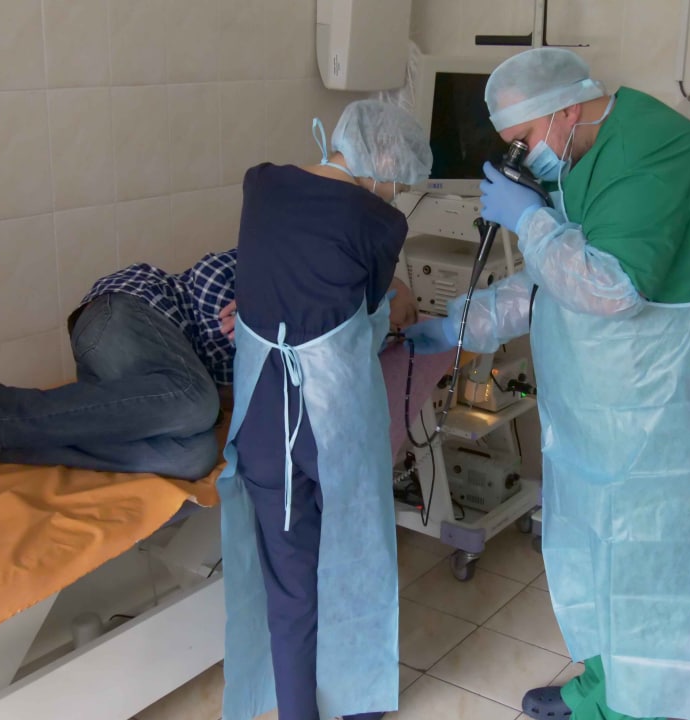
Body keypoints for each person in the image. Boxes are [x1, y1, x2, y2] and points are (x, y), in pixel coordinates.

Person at [404, 48, 690, 720]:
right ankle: (601, 684)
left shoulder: (654, 154)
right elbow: (553, 273)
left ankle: (630, 709)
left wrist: (529, 219)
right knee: (602, 547)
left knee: (653, 564)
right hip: (632, 390)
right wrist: (461, 324)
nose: (521, 157)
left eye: (522, 139)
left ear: (566, 110)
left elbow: (607, 287)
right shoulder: (580, 153)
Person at [217, 100, 432, 720]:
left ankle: (297, 712)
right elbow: (367, 317)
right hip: (333, 426)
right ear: (386, 163)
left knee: (288, 586)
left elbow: (276, 284)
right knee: (356, 562)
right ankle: (360, 707)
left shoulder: (261, 184)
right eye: (400, 182)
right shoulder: (380, 223)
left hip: (262, 418)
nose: (398, 193)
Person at [0, 251, 239, 491]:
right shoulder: (264, 266)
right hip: (125, 312)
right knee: (196, 402)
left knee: (194, 457)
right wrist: (256, 322)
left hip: (138, 381)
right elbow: (210, 276)